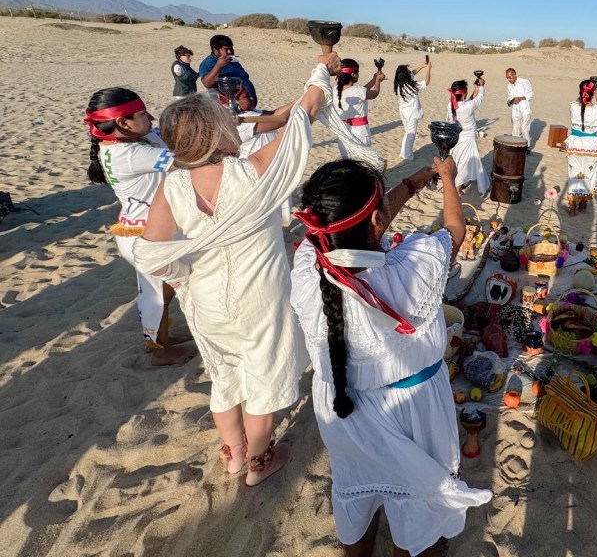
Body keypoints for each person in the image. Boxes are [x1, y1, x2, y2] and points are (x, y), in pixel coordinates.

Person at [136, 51, 342, 486]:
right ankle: (259, 464)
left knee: (225, 378)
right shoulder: (251, 172)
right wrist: (320, 70)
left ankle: (233, 456)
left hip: (207, 300)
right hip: (261, 297)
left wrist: (181, 278)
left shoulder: (170, 186)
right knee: (262, 380)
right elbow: (301, 120)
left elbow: (150, 251)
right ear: (216, 133)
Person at [288, 157, 492, 556]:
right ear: (378, 221)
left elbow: (363, 223)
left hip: (341, 410)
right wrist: (447, 179)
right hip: (411, 410)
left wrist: (417, 181)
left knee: (356, 486)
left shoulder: (308, 264)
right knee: (418, 504)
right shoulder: (409, 267)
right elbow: (455, 228)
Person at [83, 88, 197, 366]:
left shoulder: (134, 139)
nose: (150, 117)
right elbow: (189, 162)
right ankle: (159, 350)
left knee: (165, 290)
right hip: (147, 235)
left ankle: (161, 340)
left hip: (147, 229)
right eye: (143, 114)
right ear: (123, 123)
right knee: (157, 293)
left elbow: (166, 136)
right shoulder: (128, 153)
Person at [565, 79, 597, 215]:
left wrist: (587, 91)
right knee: (589, 173)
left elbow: (578, 102)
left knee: (574, 173)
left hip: (575, 143)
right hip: (590, 144)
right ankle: (583, 202)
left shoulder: (573, 106)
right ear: (592, 93)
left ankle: (572, 205)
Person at [447, 78, 489, 195]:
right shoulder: (468, 106)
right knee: (464, 165)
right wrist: (481, 87)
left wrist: (475, 89)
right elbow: (479, 98)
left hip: (456, 139)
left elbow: (468, 101)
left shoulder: (451, 106)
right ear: (464, 93)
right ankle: (456, 188)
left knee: (459, 162)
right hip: (468, 140)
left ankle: (459, 184)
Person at [337, 58, 386, 145]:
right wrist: (378, 81)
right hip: (359, 133)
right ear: (353, 74)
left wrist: (373, 80)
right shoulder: (358, 91)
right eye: (357, 72)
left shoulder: (335, 90)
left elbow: (361, 92)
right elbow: (374, 93)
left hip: (343, 132)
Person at [199, 34, 257, 104]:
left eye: (231, 48)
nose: (230, 51)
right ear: (215, 50)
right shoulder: (208, 63)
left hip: (247, 106)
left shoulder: (232, 60)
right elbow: (207, 83)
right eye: (226, 49)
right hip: (229, 108)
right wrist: (218, 67)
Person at [395, 58, 432, 162]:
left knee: (407, 133)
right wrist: (429, 69)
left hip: (403, 112)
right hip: (411, 113)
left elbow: (412, 73)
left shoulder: (400, 84)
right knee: (411, 134)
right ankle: (408, 156)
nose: (410, 72)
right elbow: (427, 82)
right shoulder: (412, 86)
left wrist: (422, 66)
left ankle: (403, 153)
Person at [505, 68, 533, 147]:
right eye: (507, 77)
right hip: (515, 110)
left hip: (525, 110)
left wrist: (520, 98)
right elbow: (509, 96)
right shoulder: (509, 86)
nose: (508, 79)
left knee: (524, 129)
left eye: (509, 77)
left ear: (515, 75)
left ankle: (526, 147)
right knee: (515, 129)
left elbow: (530, 94)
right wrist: (509, 102)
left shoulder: (524, 82)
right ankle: (515, 146)